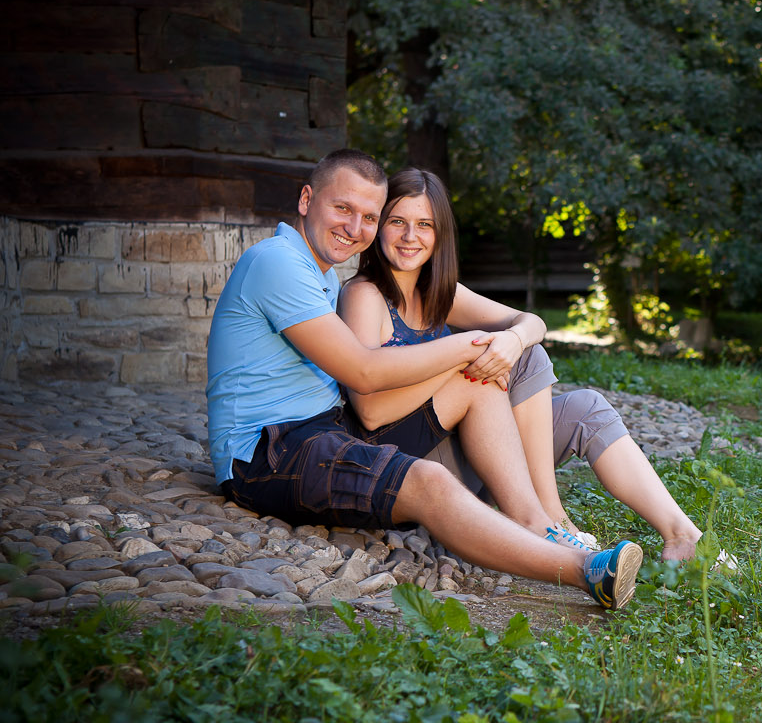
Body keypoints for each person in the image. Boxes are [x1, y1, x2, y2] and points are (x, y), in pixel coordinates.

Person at [205, 148, 642, 609]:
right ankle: (587, 571)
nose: (354, 228)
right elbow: (363, 372)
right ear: (306, 199)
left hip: (324, 430)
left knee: (477, 383)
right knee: (429, 481)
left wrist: (492, 348)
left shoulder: (321, 274)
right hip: (265, 455)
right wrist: (468, 344)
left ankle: (538, 521)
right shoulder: (277, 262)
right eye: (343, 208)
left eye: (369, 216)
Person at [336, 166, 719, 564]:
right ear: (379, 225)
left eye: (424, 224)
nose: (410, 236)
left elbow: (532, 323)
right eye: (397, 221)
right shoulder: (365, 295)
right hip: (412, 466)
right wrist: (459, 358)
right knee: (482, 372)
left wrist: (512, 339)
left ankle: (683, 536)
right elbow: (369, 411)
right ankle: (544, 522)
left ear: (440, 234)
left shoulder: (439, 294)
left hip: (468, 448)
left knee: (576, 399)